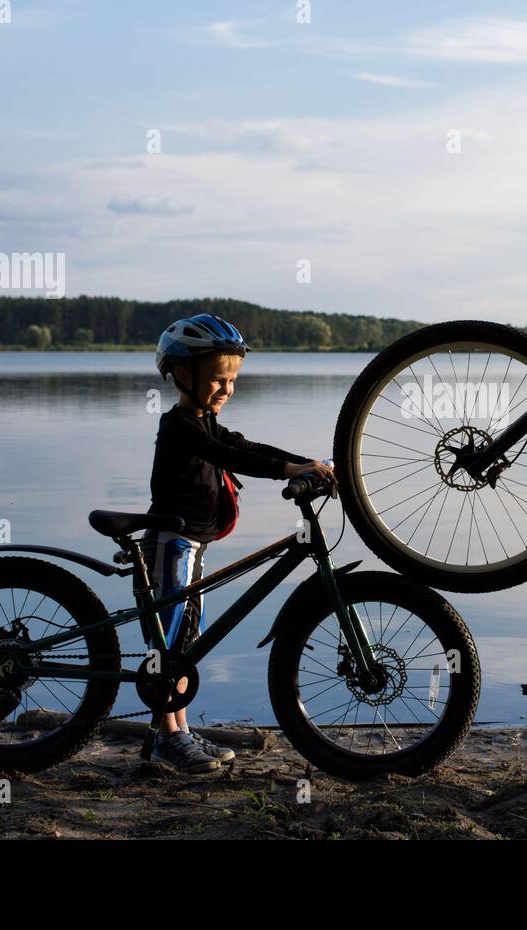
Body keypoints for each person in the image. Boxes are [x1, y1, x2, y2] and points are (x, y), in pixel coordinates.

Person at [143, 313, 336, 773]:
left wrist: (306, 463)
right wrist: (288, 473)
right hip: (172, 544)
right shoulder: (181, 426)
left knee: (184, 645)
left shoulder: (206, 422)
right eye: (217, 379)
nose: (227, 388)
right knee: (170, 648)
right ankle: (166, 740)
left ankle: (179, 732)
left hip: (193, 545)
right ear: (183, 376)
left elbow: (250, 447)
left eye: (232, 380)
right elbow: (229, 456)